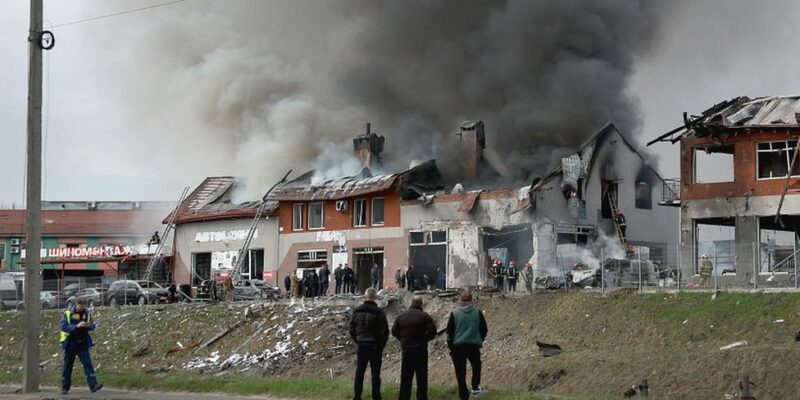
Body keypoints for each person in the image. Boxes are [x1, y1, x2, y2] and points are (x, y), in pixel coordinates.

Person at [391, 296, 437, 400]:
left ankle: (404, 397)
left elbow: (394, 331)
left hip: (407, 350)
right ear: (421, 304)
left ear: (411, 303)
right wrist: (425, 339)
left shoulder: (401, 316)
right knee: (421, 378)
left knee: (406, 377)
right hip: (421, 350)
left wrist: (402, 339)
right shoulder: (425, 316)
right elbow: (433, 332)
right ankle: (421, 397)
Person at [446, 291, 488, 400]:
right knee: (476, 366)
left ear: (461, 300)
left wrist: (451, 347)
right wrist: (480, 339)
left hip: (458, 347)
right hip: (473, 345)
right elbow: (484, 329)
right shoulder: (477, 312)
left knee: (460, 371)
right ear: (471, 300)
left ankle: (463, 394)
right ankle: (475, 387)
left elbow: (449, 331)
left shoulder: (454, 313)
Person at [349, 288, 389, 400]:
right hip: (374, 345)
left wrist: (357, 340)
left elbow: (351, 329)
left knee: (360, 371)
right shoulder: (379, 312)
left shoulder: (357, 311)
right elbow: (385, 331)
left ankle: (357, 396)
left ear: (364, 296)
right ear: (375, 298)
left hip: (361, 344)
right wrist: (380, 346)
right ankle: (376, 396)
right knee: (375, 373)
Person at [60, 297, 103, 395]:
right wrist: (77, 326)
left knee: (87, 364)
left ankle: (93, 385)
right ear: (76, 304)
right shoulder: (68, 314)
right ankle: (65, 387)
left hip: (82, 343)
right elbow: (63, 326)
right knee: (68, 366)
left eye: (83, 306)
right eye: (80, 306)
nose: (81, 308)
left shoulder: (86, 313)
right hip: (70, 343)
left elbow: (92, 325)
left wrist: (88, 325)